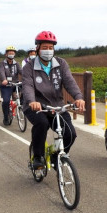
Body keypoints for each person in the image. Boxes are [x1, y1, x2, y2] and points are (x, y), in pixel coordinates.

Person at [22, 31, 85, 169]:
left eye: (51, 48)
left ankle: (57, 157)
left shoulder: (61, 63)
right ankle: (38, 156)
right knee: (42, 124)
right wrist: (32, 101)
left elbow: (70, 82)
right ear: (37, 48)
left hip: (56, 106)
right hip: (36, 106)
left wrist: (78, 97)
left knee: (71, 134)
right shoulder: (29, 67)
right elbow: (27, 86)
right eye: (45, 47)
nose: (48, 51)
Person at [0, 46, 22, 125]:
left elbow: (22, 72)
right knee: (6, 101)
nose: (11, 54)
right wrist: (4, 79)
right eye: (10, 53)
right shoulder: (2, 63)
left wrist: (28, 78)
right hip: (6, 85)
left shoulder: (17, 64)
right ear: (6, 54)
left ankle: (21, 105)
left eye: (13, 53)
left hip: (15, 84)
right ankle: (6, 117)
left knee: (26, 90)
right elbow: (1, 72)